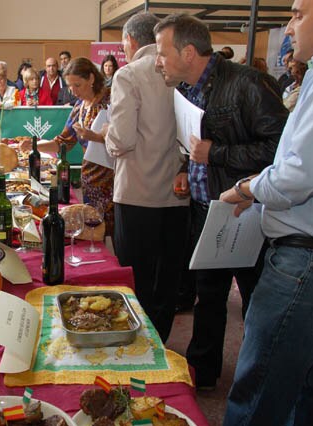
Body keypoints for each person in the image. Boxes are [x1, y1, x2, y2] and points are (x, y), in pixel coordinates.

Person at [219, 1, 313, 423]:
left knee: (261, 396)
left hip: (308, 261)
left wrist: (246, 188)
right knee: (305, 396)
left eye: (297, 14)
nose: (289, 26)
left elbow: (302, 175)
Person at [154, 13, 289, 390]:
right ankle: (204, 371)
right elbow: (196, 143)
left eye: (163, 53)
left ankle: (262, 377)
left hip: (245, 211)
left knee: (255, 300)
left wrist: (217, 154)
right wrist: (186, 167)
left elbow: (281, 149)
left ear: (190, 52)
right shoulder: (187, 88)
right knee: (208, 294)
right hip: (205, 208)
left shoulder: (247, 83)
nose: (157, 61)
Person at [106, 13, 189, 343]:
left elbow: (122, 139)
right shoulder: (182, 70)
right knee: (166, 278)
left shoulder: (129, 75)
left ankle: (136, 346)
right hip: (178, 193)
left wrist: (108, 140)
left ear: (131, 41)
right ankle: (161, 344)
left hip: (137, 193)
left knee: (136, 276)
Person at [22, 57, 114, 234]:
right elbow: (62, 142)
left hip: (111, 177)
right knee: (92, 231)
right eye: (70, 86)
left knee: (111, 230)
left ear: (91, 78)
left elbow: (122, 138)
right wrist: (33, 145)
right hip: (90, 178)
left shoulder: (110, 100)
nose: (73, 91)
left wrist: (94, 136)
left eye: (77, 85)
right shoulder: (79, 106)